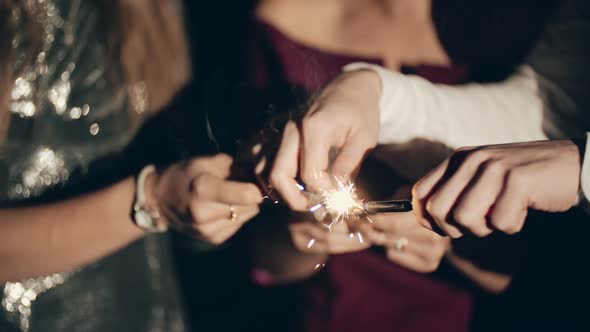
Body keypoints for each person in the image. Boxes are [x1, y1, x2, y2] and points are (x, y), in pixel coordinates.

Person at [212, 0, 567, 331]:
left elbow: (547, 276)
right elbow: (260, 259)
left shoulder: (531, 26)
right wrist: (305, 233)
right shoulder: (283, 21)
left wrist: (450, 243)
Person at [0, 1, 263, 331]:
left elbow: (176, 168)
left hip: (149, 312)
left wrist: (214, 198)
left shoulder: (152, 10)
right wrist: (151, 202)